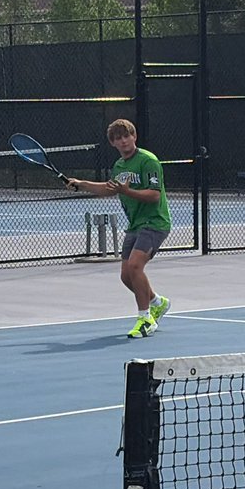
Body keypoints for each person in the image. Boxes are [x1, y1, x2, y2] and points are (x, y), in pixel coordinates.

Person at [67, 118, 172, 338]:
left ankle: (145, 319)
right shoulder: (119, 166)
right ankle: (157, 302)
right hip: (135, 224)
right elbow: (110, 189)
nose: (123, 141)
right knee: (126, 276)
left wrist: (127, 191)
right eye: (118, 138)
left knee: (135, 266)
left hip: (155, 222)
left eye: (127, 136)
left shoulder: (148, 161)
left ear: (134, 137)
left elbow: (154, 195)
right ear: (113, 143)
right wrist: (82, 184)